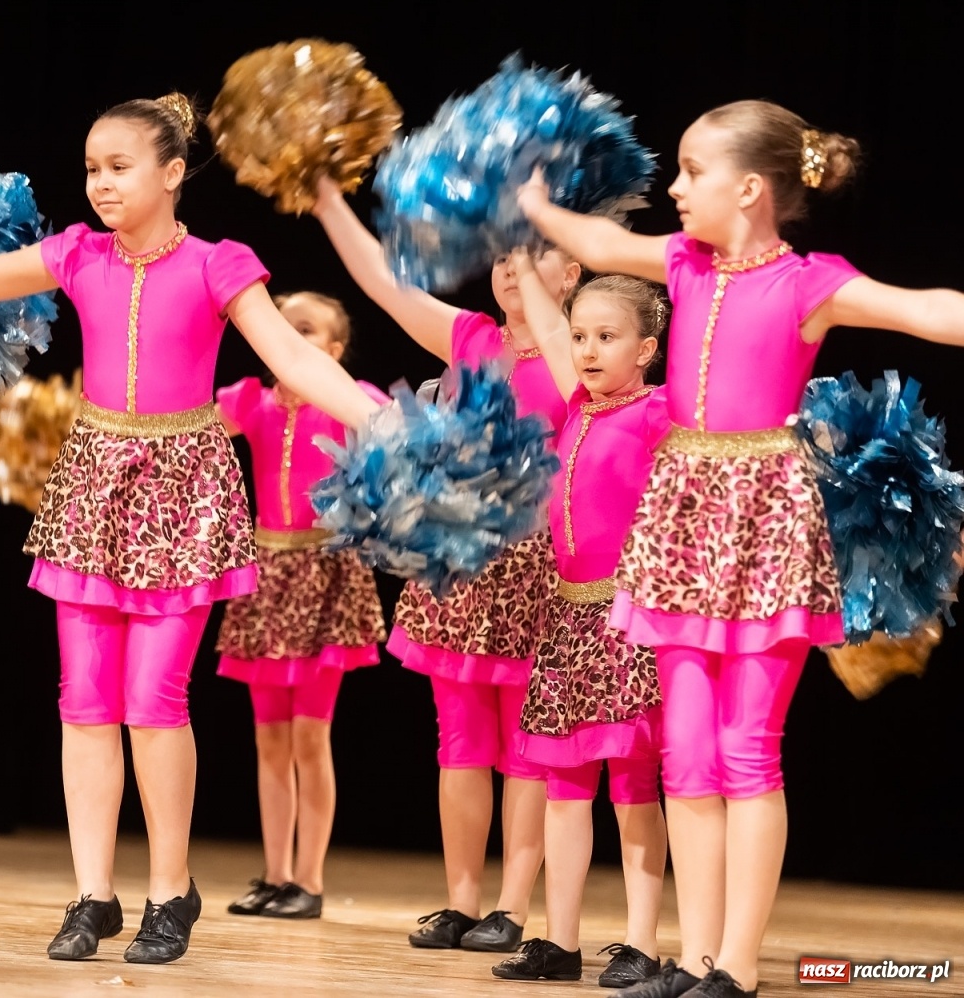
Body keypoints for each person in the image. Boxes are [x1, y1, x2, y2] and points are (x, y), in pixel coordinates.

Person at [0, 93, 380, 964]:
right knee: (83, 702)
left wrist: (384, 426)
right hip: (91, 488)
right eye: (91, 168)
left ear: (173, 173)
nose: (101, 183)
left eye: (120, 166)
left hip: (184, 492)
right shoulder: (78, 254)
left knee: (154, 703)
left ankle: (168, 892)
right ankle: (93, 895)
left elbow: (295, 358)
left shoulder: (218, 263)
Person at [517, 101, 964, 998]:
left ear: (751, 189)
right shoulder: (683, 265)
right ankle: (690, 959)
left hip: (765, 523)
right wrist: (532, 202)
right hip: (682, 519)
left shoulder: (808, 283)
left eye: (691, 171)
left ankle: (737, 965)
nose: (675, 190)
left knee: (746, 750)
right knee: (686, 756)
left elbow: (927, 310)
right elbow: (600, 249)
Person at [310, 173, 576, 952]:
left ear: (572, 273)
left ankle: (515, 907)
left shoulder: (577, 355)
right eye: (501, 257)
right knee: (459, 741)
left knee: (530, 746)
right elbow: (385, 285)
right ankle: (462, 899)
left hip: (539, 568)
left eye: (532, 256)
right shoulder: (472, 339)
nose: (510, 267)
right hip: (460, 565)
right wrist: (328, 203)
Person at [491, 262, 670, 988]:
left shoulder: (657, 413)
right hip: (567, 620)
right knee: (564, 787)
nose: (589, 351)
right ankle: (559, 940)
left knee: (634, 787)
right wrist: (524, 259)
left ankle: (640, 941)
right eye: (580, 337)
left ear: (647, 349)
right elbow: (545, 319)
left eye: (608, 337)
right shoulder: (576, 409)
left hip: (627, 621)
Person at [214, 291, 388, 921]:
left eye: (307, 330)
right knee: (269, 739)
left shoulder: (351, 400)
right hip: (266, 578)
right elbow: (186, 420)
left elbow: (401, 438)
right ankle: (275, 872)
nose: (288, 339)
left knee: (311, 737)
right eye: (281, 328)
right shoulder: (251, 402)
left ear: (335, 352)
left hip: (324, 576)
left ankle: (308, 880)